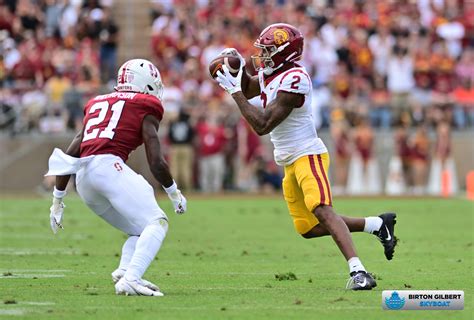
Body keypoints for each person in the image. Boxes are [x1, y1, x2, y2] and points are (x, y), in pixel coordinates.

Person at [214, 23, 397, 290]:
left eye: (268, 51)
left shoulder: (295, 79)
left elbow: (263, 125)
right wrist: (234, 69)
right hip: (288, 159)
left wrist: (235, 93)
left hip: (307, 154)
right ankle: (377, 224)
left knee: (323, 210)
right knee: (307, 228)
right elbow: (251, 87)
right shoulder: (272, 72)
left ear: (284, 52)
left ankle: (359, 272)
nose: (262, 56)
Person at [45, 59, 187, 297]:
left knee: (140, 228)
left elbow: (72, 151)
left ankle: (125, 271)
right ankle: (132, 279)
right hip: (108, 167)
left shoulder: (98, 101)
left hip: (84, 178)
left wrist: (57, 200)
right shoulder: (146, 104)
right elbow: (156, 161)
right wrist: (174, 192)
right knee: (157, 222)